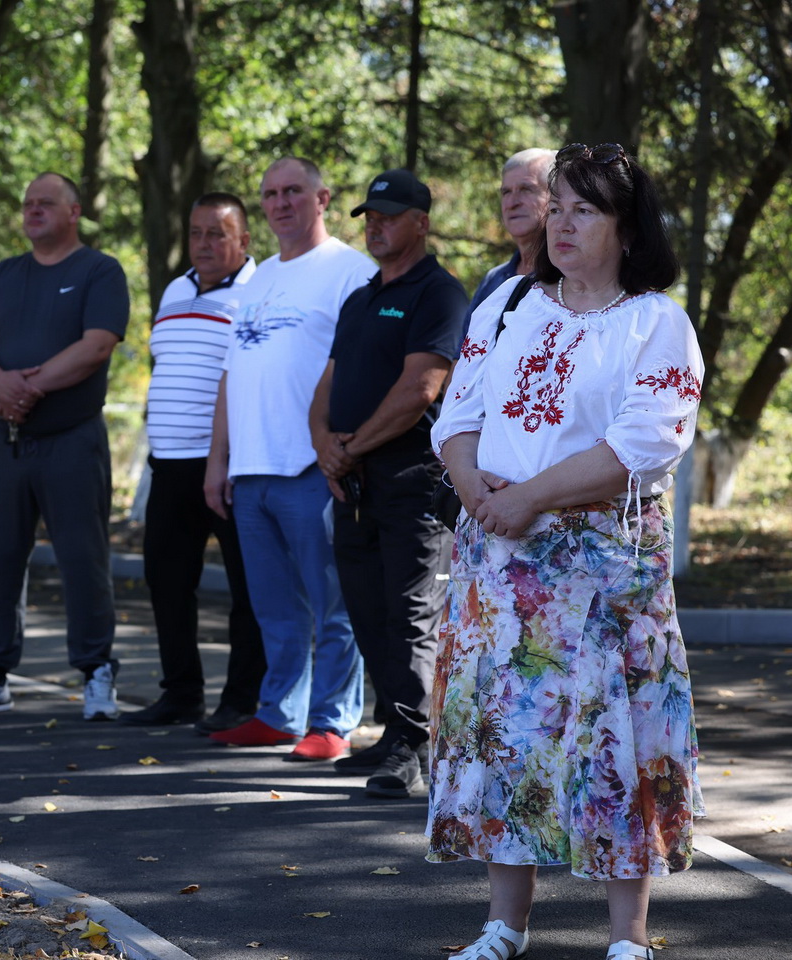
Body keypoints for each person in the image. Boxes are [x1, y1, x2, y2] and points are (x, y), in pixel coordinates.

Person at [426, 144, 703, 960]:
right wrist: (477, 490)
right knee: (504, 736)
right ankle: (502, 928)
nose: (561, 223)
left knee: (613, 736)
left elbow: (642, 445)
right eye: (555, 207)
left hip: (604, 566)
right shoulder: (507, 307)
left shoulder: (657, 322)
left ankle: (628, 937)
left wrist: (527, 497)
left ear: (625, 229)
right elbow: (457, 417)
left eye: (583, 209)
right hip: (500, 559)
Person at [0, 172, 130, 722]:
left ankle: (96, 673)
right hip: (7, 441)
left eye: (46, 203)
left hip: (72, 440)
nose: (33, 211)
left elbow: (96, 346)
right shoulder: (4, 275)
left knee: (82, 559)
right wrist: (2, 385)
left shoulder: (100, 270)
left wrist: (28, 386)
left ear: (74, 212)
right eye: (27, 204)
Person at [200, 157, 371, 760]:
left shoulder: (351, 271)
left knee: (332, 604)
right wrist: (218, 460)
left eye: (293, 191)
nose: (280, 203)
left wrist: (346, 450)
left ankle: (332, 723)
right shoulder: (259, 277)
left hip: (311, 466)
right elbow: (232, 374)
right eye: (270, 194)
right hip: (251, 470)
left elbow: (363, 368)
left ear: (322, 197)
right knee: (274, 607)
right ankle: (279, 713)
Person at [308, 169, 468, 797]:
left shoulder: (439, 295)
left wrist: (350, 446)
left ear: (420, 223)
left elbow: (420, 390)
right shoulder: (361, 296)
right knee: (367, 611)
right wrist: (325, 443)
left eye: (390, 215)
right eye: (370, 216)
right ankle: (389, 732)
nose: (376, 224)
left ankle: (413, 744)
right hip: (352, 483)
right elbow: (329, 382)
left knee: (409, 615)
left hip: (408, 479)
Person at [120, 192, 266, 732]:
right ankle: (180, 693)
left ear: (243, 241)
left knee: (245, 588)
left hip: (225, 465)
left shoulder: (257, 290)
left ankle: (240, 701)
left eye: (217, 234)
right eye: (196, 233)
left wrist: (223, 456)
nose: (203, 244)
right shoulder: (175, 289)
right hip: (169, 464)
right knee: (166, 581)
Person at [466, 148, 555, 323]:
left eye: (526, 189)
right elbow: (464, 348)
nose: (512, 203)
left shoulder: (572, 280)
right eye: (506, 192)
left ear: (554, 197)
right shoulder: (494, 279)